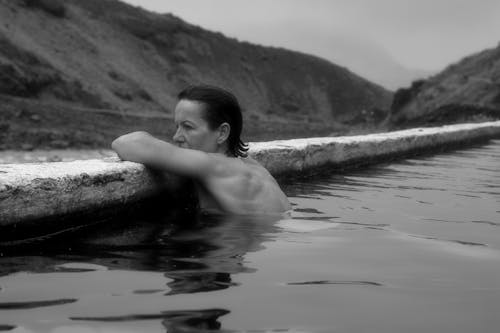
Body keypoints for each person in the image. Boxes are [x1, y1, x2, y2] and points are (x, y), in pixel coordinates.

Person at [112, 85, 291, 215]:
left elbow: (126, 143)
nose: (176, 137)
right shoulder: (254, 167)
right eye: (177, 126)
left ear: (222, 133)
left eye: (188, 127)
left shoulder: (213, 165)